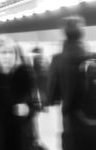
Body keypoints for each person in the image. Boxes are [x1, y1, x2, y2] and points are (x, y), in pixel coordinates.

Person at [0, 37, 39, 150]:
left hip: (21, 139)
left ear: (16, 55)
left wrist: (28, 110)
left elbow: (34, 105)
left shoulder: (25, 76)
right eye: (3, 52)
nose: (7, 56)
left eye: (11, 52)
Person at [47, 16, 96, 150]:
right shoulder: (93, 57)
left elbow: (51, 97)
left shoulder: (57, 60)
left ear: (64, 33)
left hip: (71, 123)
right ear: (83, 33)